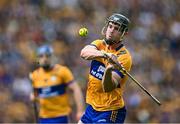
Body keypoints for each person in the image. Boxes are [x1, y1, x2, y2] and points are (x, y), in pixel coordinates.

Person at [79, 13, 132, 123]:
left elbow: (108, 87)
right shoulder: (99, 44)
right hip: (92, 107)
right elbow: (84, 53)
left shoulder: (124, 57)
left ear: (123, 33)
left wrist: (108, 69)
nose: (111, 30)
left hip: (111, 110)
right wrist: (105, 55)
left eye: (116, 29)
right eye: (110, 26)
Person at [29, 45, 84, 123]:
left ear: (52, 57)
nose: (44, 59)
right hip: (44, 118)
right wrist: (34, 97)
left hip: (62, 116)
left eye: (47, 56)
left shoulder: (62, 71)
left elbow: (76, 89)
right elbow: (37, 96)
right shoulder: (35, 75)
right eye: (41, 56)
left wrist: (80, 110)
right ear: (38, 59)